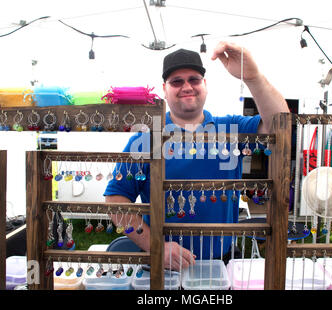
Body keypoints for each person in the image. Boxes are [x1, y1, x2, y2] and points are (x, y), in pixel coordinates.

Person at [104, 41, 289, 271]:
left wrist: (253, 78)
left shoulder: (230, 129)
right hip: (162, 271)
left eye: (194, 79)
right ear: (164, 89)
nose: (187, 86)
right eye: (176, 81)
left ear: (205, 84)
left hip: (220, 265)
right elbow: (115, 201)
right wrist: (155, 246)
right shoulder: (146, 140)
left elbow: (279, 126)